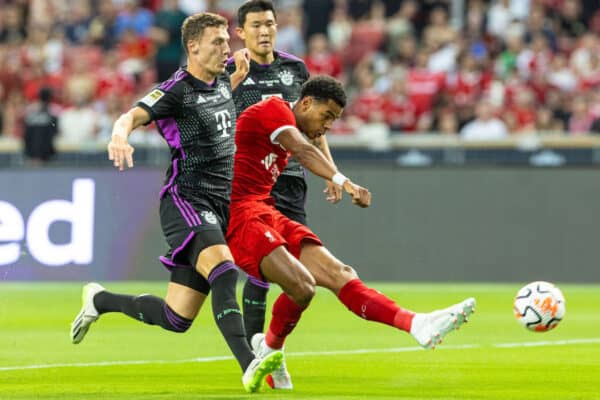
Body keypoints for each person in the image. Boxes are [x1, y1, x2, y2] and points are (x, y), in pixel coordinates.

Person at [69, 12, 282, 393]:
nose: (226, 49)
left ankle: (100, 300)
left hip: (219, 205)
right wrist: (120, 135)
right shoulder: (176, 89)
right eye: (217, 42)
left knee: (177, 317)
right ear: (193, 46)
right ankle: (250, 364)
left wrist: (239, 72)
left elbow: (223, 91)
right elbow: (131, 115)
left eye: (226, 42)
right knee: (225, 270)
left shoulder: (220, 80)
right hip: (186, 199)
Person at [226, 75, 476, 388]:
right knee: (303, 287)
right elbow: (304, 150)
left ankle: (416, 323)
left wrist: (331, 173)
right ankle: (271, 347)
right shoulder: (274, 110)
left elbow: (308, 145)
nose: (328, 126)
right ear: (305, 103)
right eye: (326, 116)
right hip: (238, 217)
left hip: (265, 211)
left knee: (340, 273)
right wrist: (343, 180)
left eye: (334, 119)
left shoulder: (294, 126)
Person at [225, 0, 341, 389]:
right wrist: (234, 82)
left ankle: (267, 352)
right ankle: (261, 355)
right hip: (249, 180)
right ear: (240, 32)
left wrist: (332, 172)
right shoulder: (230, 71)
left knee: (295, 272)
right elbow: (212, 113)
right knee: (262, 268)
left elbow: (314, 128)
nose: (264, 31)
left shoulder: (295, 68)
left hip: (290, 177)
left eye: (270, 24)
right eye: (256, 25)